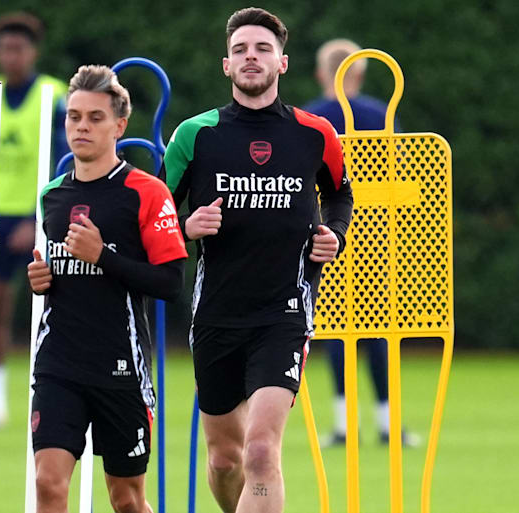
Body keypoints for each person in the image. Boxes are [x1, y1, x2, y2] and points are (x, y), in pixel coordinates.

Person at [161, 8, 353, 513]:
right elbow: (155, 215)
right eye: (241, 49)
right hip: (217, 316)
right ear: (226, 65)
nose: (252, 57)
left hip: (284, 313)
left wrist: (333, 234)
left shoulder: (316, 133)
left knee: (262, 449)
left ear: (283, 63)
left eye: (263, 49)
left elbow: (340, 196)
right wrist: (185, 228)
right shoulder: (195, 135)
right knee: (226, 460)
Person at [27, 64, 187, 513]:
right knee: (48, 483)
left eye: (95, 118)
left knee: (127, 499)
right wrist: (40, 281)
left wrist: (105, 257)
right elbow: (57, 272)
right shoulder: (52, 195)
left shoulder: (146, 192)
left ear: (119, 126)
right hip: (58, 362)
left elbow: (171, 283)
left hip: (120, 367)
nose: (82, 126)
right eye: (74, 116)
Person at [303, 38, 417, 448]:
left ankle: (342, 423)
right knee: (379, 330)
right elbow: (407, 176)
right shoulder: (380, 115)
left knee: (335, 330)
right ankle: (388, 424)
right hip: (376, 238)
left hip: (326, 235)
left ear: (321, 73)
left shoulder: (311, 118)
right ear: (360, 73)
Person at [0, 11, 69, 429]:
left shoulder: (54, 94)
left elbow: (65, 160)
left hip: (42, 217)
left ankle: (57, 396)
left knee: (55, 310)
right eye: (4, 48)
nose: (11, 55)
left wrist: (37, 216)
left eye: (19, 48)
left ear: (33, 51)